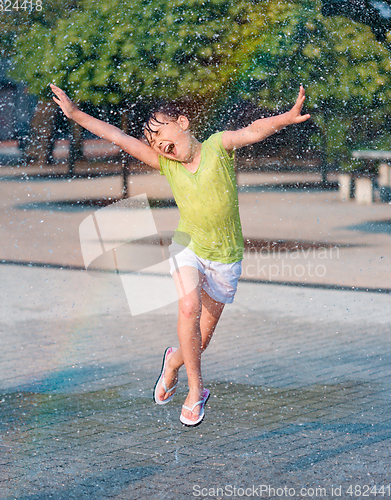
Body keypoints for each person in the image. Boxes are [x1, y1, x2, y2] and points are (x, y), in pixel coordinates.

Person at [50, 83, 310, 426]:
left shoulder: (218, 146)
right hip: (187, 246)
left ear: (183, 123)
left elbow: (253, 131)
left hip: (225, 258)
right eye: (157, 146)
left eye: (165, 136)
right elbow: (119, 137)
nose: (163, 147)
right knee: (189, 306)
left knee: (198, 343)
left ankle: (173, 361)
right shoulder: (168, 166)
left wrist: (285, 119)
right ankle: (195, 390)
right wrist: (75, 114)